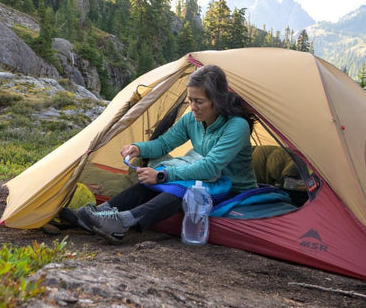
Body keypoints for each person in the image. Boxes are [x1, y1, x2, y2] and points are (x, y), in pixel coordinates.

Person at [75, 64, 257, 242]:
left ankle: (122, 222)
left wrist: (162, 175)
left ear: (217, 100)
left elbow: (210, 167)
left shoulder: (236, 126)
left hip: (232, 189)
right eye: (190, 100)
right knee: (152, 182)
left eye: (199, 101)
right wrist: (138, 148)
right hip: (203, 180)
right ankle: (98, 213)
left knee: (180, 187)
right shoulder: (192, 120)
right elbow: (164, 144)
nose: (193, 107)